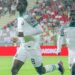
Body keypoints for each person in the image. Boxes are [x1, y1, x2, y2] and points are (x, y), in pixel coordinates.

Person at [11, 0, 64, 75]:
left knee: (40, 70)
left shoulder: (28, 17)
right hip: (23, 46)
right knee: (14, 70)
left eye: (19, 4)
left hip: (33, 48)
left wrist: (23, 35)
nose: (17, 5)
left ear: (24, 5)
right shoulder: (19, 17)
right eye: (16, 3)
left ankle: (58, 66)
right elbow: (22, 31)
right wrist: (17, 36)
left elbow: (40, 30)